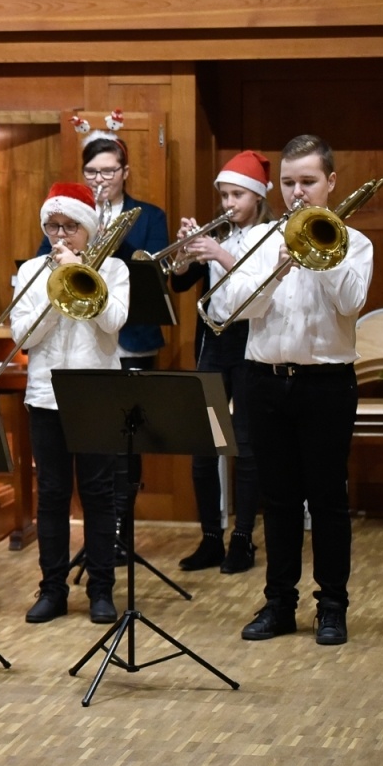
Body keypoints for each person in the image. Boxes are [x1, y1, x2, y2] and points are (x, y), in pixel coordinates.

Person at [205, 135, 372, 647]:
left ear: (331, 183)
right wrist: (277, 269)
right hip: (265, 380)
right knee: (276, 501)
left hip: (326, 383)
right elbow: (228, 311)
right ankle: (279, 603)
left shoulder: (355, 243)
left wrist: (321, 257)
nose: (297, 193)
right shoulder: (259, 241)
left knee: (327, 500)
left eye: (308, 182)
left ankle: (332, 606)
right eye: (289, 183)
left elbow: (350, 303)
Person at [45, 123, 171, 551]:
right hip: (82, 344)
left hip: (132, 336)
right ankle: (100, 534)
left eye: (109, 171)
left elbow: (151, 271)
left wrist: (105, 239)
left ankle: (122, 534)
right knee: (92, 449)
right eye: (92, 173)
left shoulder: (148, 216)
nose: (101, 179)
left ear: (125, 171)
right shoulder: (67, 219)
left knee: (125, 444)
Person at [13, 183, 130, 625]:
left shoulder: (115, 270)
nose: (60, 236)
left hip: (96, 393)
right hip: (45, 394)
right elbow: (24, 337)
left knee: (100, 495)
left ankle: (101, 589)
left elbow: (114, 321)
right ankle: (53, 589)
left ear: (88, 229)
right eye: (53, 226)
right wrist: (53, 287)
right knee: (53, 496)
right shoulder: (29, 273)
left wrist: (83, 278)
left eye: (71, 227)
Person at [167, 150, 272, 574]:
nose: (229, 203)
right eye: (225, 195)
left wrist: (218, 253)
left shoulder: (270, 235)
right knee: (203, 446)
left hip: (250, 346)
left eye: (237, 195)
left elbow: (258, 284)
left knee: (245, 446)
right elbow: (178, 283)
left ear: (258, 198)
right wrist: (184, 255)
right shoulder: (219, 235)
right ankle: (211, 536)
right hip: (212, 346)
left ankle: (243, 538)